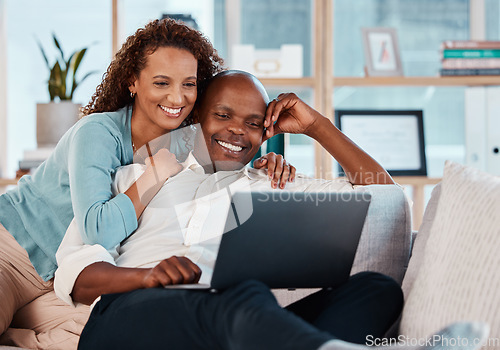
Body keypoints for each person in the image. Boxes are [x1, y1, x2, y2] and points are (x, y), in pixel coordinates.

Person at [53, 70, 490, 349]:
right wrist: (146, 277)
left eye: (251, 123)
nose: (236, 132)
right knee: (246, 295)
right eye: (222, 115)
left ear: (268, 131)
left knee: (376, 290)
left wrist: (318, 127)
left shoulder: (271, 180)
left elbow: (386, 199)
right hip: (130, 313)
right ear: (195, 118)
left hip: (238, 325)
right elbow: (76, 269)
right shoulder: (139, 176)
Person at [0, 20, 293, 349]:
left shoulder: (183, 143)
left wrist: (265, 163)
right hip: (15, 253)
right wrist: (153, 175)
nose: (177, 96)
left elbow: (219, 171)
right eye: (162, 82)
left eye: (189, 84)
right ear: (132, 82)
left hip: (59, 276)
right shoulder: (97, 133)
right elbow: (98, 230)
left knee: (95, 332)